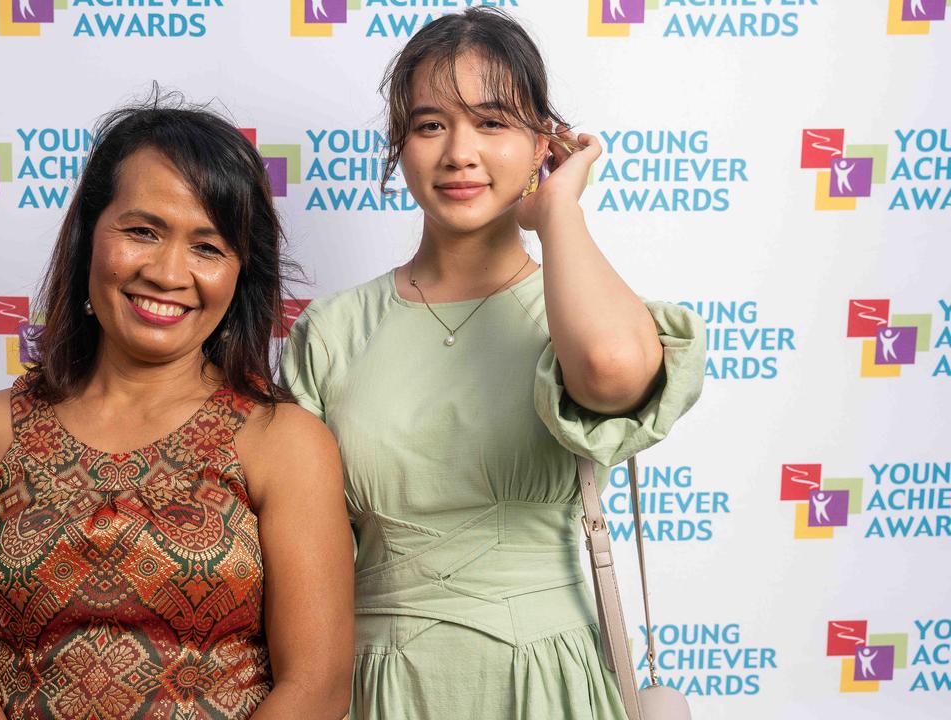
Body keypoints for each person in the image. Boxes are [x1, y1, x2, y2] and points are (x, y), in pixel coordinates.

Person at [280, 9, 705, 719]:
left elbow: (608, 367)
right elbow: (302, 558)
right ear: (400, 145)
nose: (459, 152)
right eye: (429, 124)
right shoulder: (333, 330)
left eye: (493, 122)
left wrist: (560, 209)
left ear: (546, 140)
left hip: (546, 676)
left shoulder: (575, 308)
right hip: (377, 681)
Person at [0, 97, 355, 720]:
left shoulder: (282, 441)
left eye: (208, 247)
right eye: (142, 232)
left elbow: (318, 686)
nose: (169, 272)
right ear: (89, 235)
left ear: (239, 275)